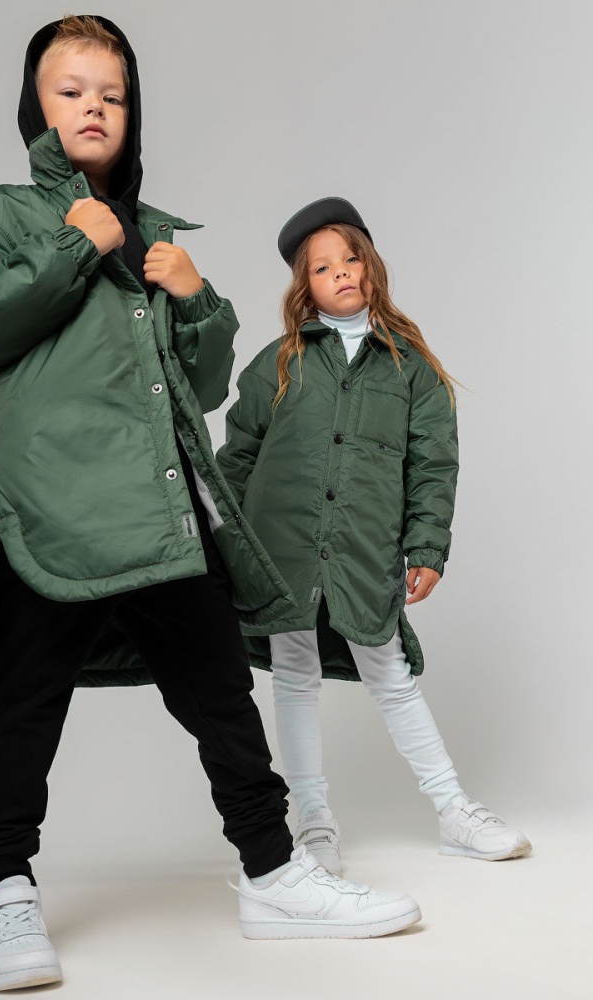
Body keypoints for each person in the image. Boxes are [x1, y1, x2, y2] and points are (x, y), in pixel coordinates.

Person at [0, 23, 422, 993]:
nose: (93, 107)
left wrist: (197, 302)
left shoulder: (153, 237)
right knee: (22, 703)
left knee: (221, 699)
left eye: (111, 93)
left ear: (132, 111)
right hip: (50, 512)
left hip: (163, 511)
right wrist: (73, 245)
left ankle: (274, 872)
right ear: (35, 110)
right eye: (70, 91)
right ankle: (3, 889)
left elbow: (196, 389)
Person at [216, 196, 532, 876]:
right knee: (294, 678)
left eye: (350, 257)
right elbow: (236, 457)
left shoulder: (412, 368)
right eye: (322, 266)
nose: (340, 271)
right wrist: (221, 547)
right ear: (305, 286)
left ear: (370, 266)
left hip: (364, 548)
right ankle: (314, 820)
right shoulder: (279, 362)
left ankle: (452, 809)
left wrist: (428, 546)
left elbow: (433, 465)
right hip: (280, 551)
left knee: (390, 674)